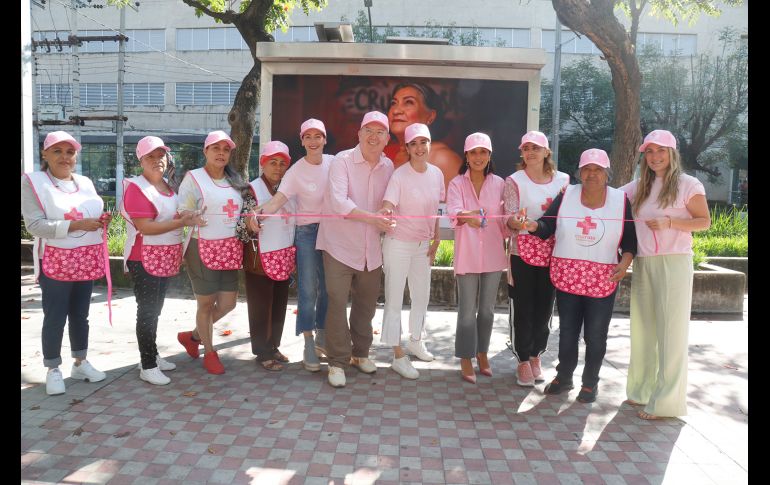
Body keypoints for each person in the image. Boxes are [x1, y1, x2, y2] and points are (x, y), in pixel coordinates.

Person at [519, 148, 636, 403]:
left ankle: (590, 382)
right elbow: (548, 224)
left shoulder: (620, 200)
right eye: (587, 169)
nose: (592, 174)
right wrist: (532, 225)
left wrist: (625, 263)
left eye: (598, 169)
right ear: (580, 172)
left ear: (606, 174)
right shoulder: (567, 194)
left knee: (595, 334)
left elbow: (630, 241)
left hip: (602, 276)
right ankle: (564, 377)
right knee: (568, 331)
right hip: (569, 274)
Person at [621, 130, 711, 419]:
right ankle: (641, 391)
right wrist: (567, 192)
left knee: (671, 333)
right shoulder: (639, 187)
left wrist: (672, 222)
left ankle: (667, 403)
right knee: (643, 330)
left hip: (674, 263)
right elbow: (607, 198)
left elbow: (704, 222)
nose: (655, 157)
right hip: (645, 263)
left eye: (661, 151)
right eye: (649, 152)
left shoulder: (688, 184)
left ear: (672, 154)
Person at [21, 131, 112, 395]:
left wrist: (100, 221)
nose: (64, 157)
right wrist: (77, 225)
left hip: (84, 258)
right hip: (56, 261)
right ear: (44, 154)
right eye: (57, 151)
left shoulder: (84, 182)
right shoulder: (34, 183)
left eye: (70, 152)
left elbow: (90, 215)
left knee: (80, 315)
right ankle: (53, 368)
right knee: (55, 316)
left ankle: (80, 362)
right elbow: (36, 226)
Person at [316, 111, 395, 388]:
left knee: (366, 305)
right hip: (338, 245)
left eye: (380, 132)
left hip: (371, 247)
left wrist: (387, 210)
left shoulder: (389, 166)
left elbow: (390, 200)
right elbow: (338, 203)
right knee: (336, 303)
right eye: (368, 131)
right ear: (359, 134)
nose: (374, 137)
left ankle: (360, 354)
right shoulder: (342, 161)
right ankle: (337, 361)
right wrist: (374, 217)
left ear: (387, 138)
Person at [121, 136, 205, 385]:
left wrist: (189, 215)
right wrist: (182, 221)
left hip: (165, 255)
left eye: (161, 155)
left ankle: (152, 355)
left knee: (155, 310)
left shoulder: (169, 186)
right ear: (140, 160)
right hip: (143, 257)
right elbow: (146, 227)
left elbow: (175, 214)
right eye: (150, 156)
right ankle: (147, 365)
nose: (157, 160)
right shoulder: (136, 188)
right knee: (147, 311)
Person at [255, 119, 333, 372]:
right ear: (302, 141)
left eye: (317, 136)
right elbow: (276, 202)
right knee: (309, 289)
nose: (313, 141)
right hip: (307, 233)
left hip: (334, 233)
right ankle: (308, 341)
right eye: (307, 136)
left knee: (330, 289)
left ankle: (322, 336)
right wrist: (254, 213)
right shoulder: (296, 171)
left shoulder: (335, 163)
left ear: (324, 139)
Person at [176, 130, 248, 375]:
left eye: (226, 149)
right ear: (205, 151)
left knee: (228, 303)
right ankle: (210, 351)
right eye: (215, 148)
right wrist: (190, 216)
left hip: (229, 248)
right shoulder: (194, 178)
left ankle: (193, 337)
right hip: (201, 246)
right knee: (206, 304)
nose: (221, 153)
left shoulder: (235, 181)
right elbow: (182, 210)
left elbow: (243, 211)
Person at [503, 131, 569, 387]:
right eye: (526, 148)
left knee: (544, 309)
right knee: (523, 308)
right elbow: (508, 216)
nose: (530, 153)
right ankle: (521, 360)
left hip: (553, 253)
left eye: (536, 148)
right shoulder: (514, 180)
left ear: (546, 152)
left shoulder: (563, 181)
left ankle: (536, 356)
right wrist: (515, 221)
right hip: (522, 253)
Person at [380, 123, 445, 379]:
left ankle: (416, 341)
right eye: (413, 144)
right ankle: (398, 355)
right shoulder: (399, 176)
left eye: (423, 142)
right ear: (407, 148)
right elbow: (388, 204)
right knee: (394, 301)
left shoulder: (437, 174)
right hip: (398, 245)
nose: (419, 148)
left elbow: (436, 208)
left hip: (423, 247)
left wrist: (437, 236)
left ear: (430, 144)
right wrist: (385, 211)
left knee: (422, 297)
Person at [446, 133, 509, 384]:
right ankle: (465, 356)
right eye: (474, 152)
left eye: (483, 152)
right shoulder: (456, 184)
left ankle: (482, 353)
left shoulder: (500, 184)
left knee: (486, 311)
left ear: (490, 155)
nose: (478, 157)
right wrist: (465, 215)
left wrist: (515, 223)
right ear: (466, 156)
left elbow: (505, 218)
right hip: (467, 254)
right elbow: (453, 212)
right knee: (466, 311)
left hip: (493, 254)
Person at [237, 140, 296, 371]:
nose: (278, 168)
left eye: (282, 163)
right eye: (273, 162)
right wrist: (251, 224)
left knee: (280, 303)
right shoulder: (251, 189)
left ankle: (274, 346)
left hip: (283, 254)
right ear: (262, 163)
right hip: (259, 257)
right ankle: (262, 352)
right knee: (260, 305)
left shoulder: (288, 189)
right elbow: (241, 226)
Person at [384, 82, 463, 191]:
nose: (396, 110)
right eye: (394, 103)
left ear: (430, 116)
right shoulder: (384, 156)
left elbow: (458, 207)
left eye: (408, 102)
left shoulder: (443, 159)